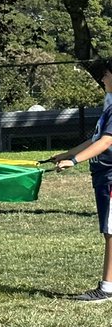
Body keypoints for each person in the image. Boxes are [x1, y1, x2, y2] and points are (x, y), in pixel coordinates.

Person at [45, 60, 112, 301]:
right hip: (103, 177)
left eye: (106, 74)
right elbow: (95, 139)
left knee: (111, 232)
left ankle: (107, 288)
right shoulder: (109, 110)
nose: (102, 79)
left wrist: (74, 161)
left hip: (110, 177)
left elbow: (106, 142)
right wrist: (67, 154)